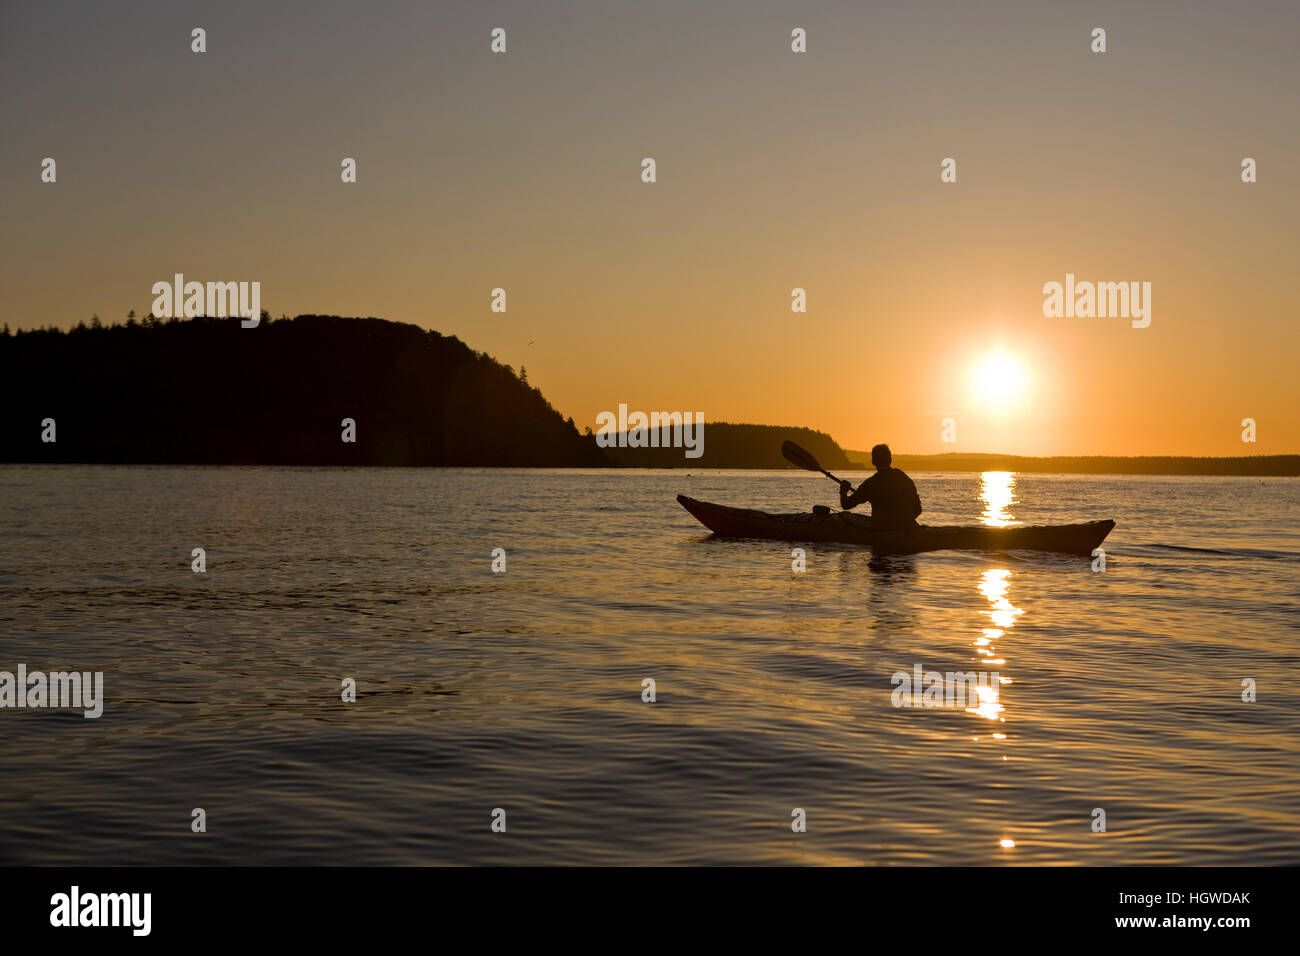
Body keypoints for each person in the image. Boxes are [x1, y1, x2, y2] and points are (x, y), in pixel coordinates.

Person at [839, 444, 922, 529]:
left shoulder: (870, 484)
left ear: (873, 462)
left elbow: (846, 505)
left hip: (882, 530)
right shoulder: (902, 477)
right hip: (909, 527)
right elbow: (918, 509)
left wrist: (843, 491)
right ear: (890, 459)